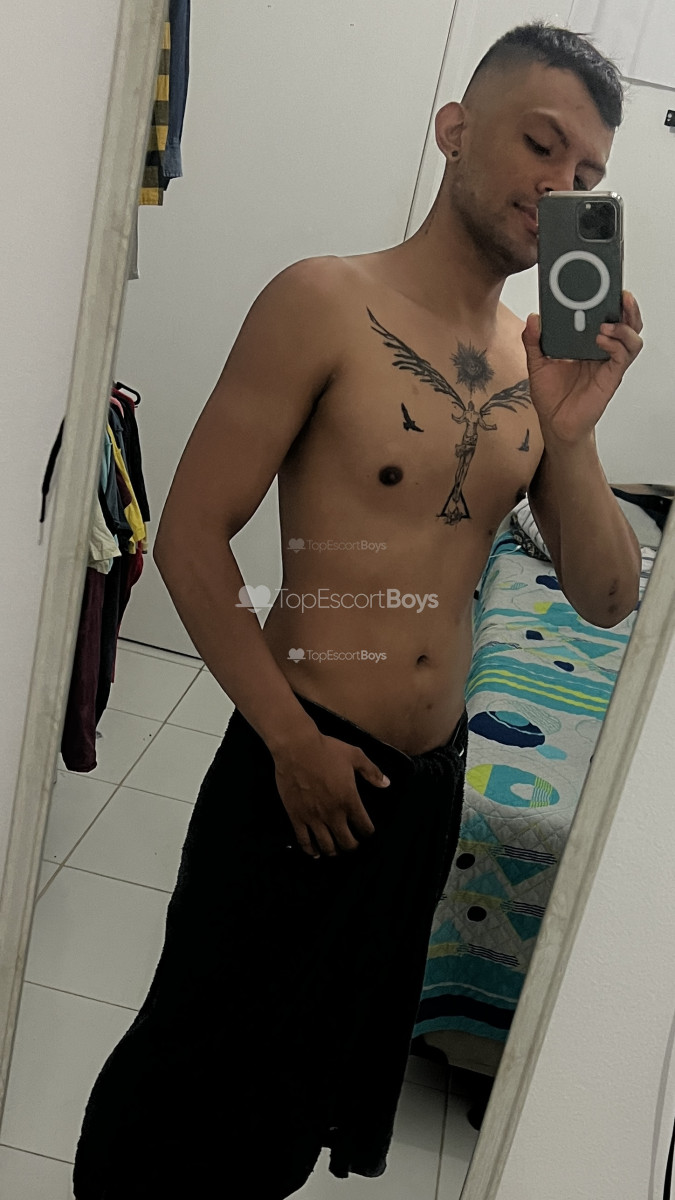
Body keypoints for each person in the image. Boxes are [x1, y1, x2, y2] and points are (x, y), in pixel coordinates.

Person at [73, 21, 644, 1200]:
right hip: (299, 760)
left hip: (427, 791)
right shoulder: (326, 301)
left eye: (589, 174)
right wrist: (289, 740)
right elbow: (190, 536)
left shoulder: (533, 362)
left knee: (301, 1094)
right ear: (455, 129)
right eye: (542, 145)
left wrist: (574, 434)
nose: (563, 186)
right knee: (187, 1076)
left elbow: (605, 598)